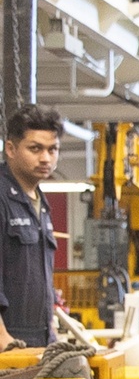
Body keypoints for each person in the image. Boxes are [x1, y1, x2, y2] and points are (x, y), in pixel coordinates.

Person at [0, 105, 61, 351]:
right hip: (8, 340)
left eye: (52, 149)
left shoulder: (39, 202)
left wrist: (52, 328)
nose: (46, 158)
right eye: (35, 149)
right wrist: (2, 335)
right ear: (11, 149)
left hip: (38, 338)